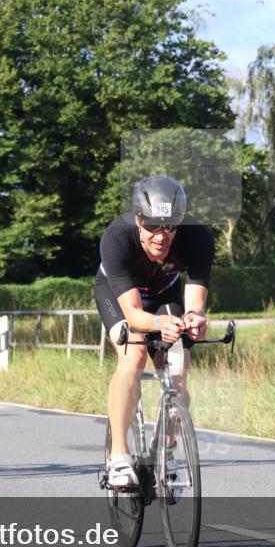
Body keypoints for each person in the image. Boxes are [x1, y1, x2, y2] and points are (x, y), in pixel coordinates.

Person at [95, 176, 214, 487]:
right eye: (151, 226)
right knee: (133, 356)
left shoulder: (198, 237)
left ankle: (167, 452)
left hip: (164, 293)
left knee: (178, 368)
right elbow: (134, 314)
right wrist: (160, 325)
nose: (161, 236)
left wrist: (195, 320)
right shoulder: (117, 238)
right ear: (138, 219)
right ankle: (119, 457)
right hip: (119, 297)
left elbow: (195, 303)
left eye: (170, 226)